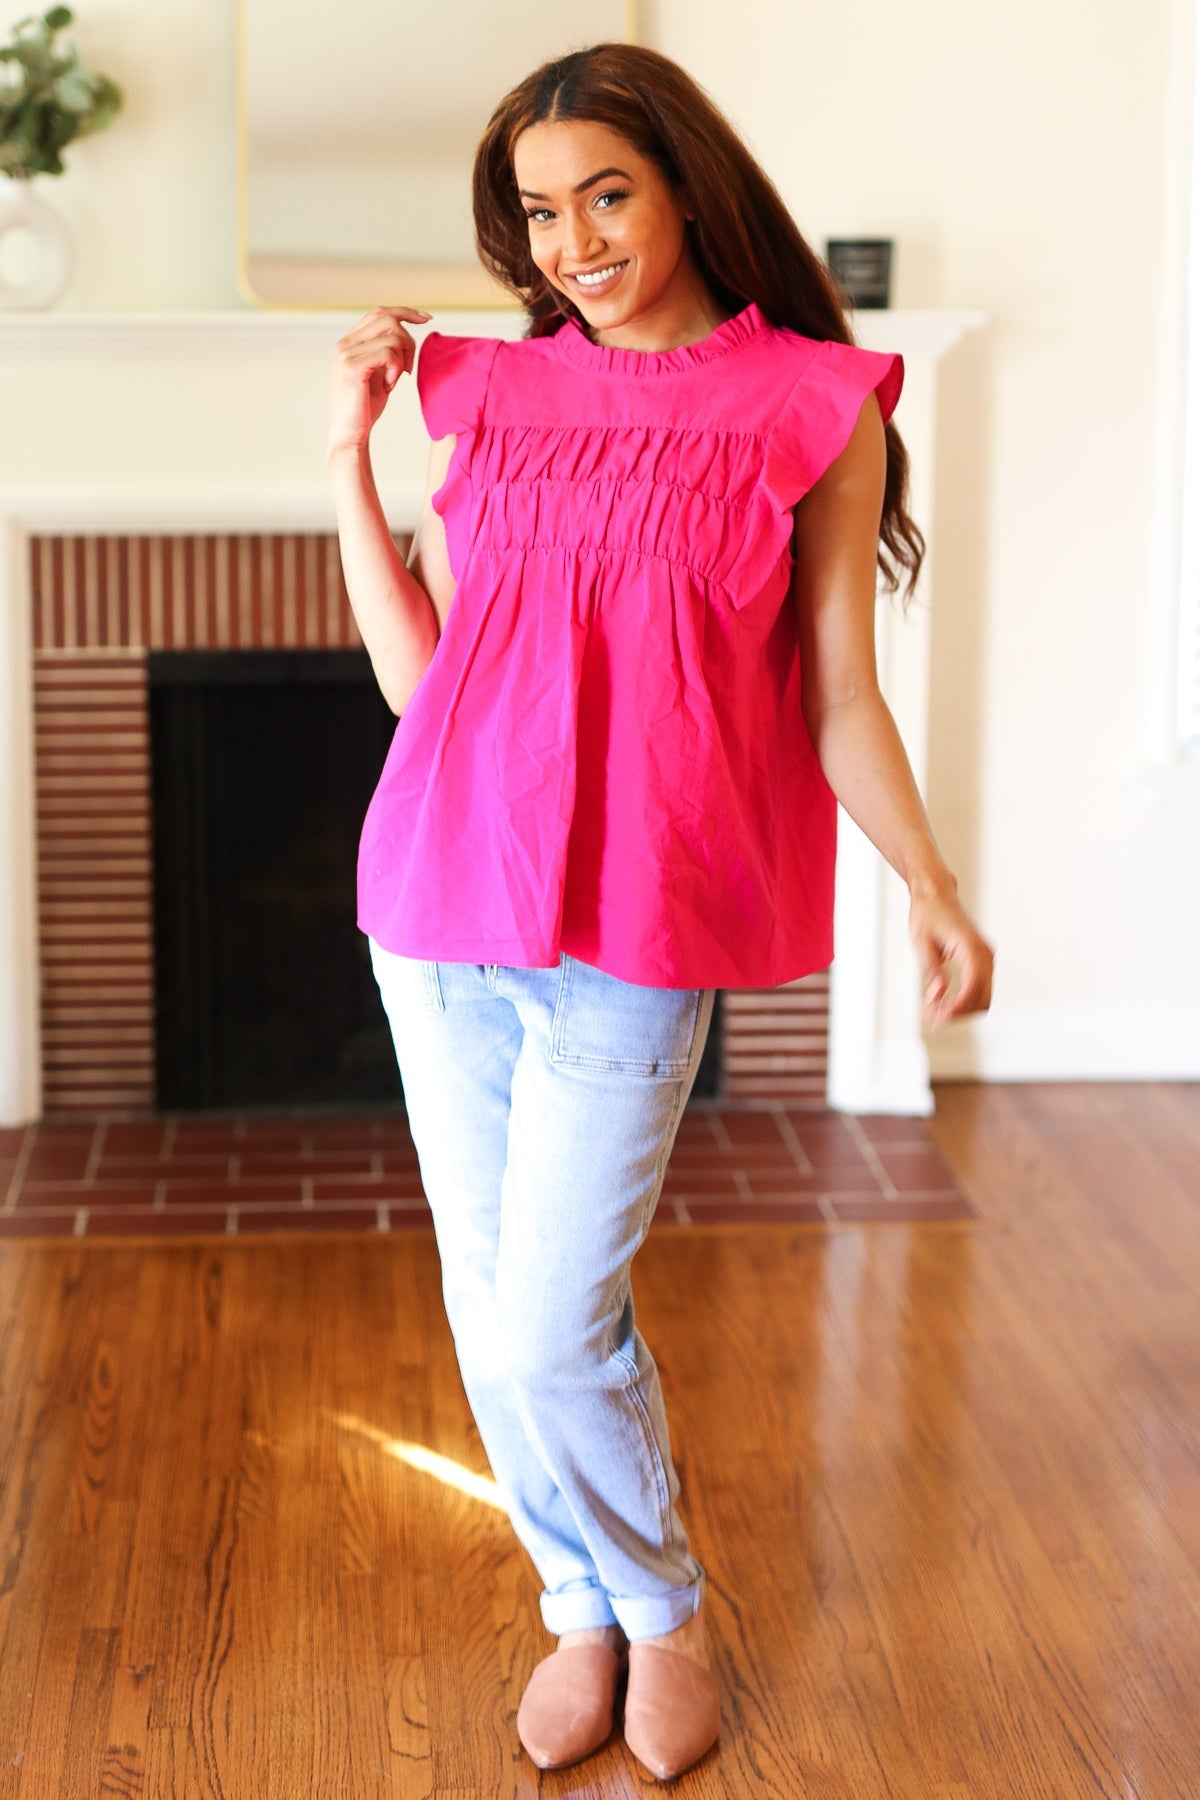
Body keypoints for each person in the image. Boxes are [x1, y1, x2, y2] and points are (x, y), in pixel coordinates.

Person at [326, 41, 994, 1784]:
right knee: (493, 1313)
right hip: (440, 905)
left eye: (606, 195)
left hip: (636, 932)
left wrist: (932, 885)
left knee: (559, 1319)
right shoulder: (490, 395)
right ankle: (581, 1606)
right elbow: (424, 686)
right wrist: (346, 462)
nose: (576, 243)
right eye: (541, 213)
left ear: (688, 187)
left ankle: (663, 1605)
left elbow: (840, 694)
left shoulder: (811, 406)